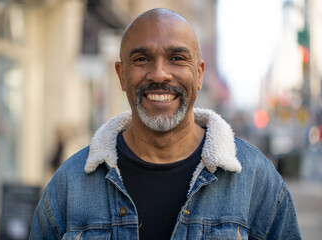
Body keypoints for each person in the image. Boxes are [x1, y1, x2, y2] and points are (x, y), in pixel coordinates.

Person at [30, 8, 301, 240]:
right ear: (122, 75)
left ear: (199, 75)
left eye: (177, 58)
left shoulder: (256, 181)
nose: (159, 72)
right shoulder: (69, 185)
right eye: (142, 59)